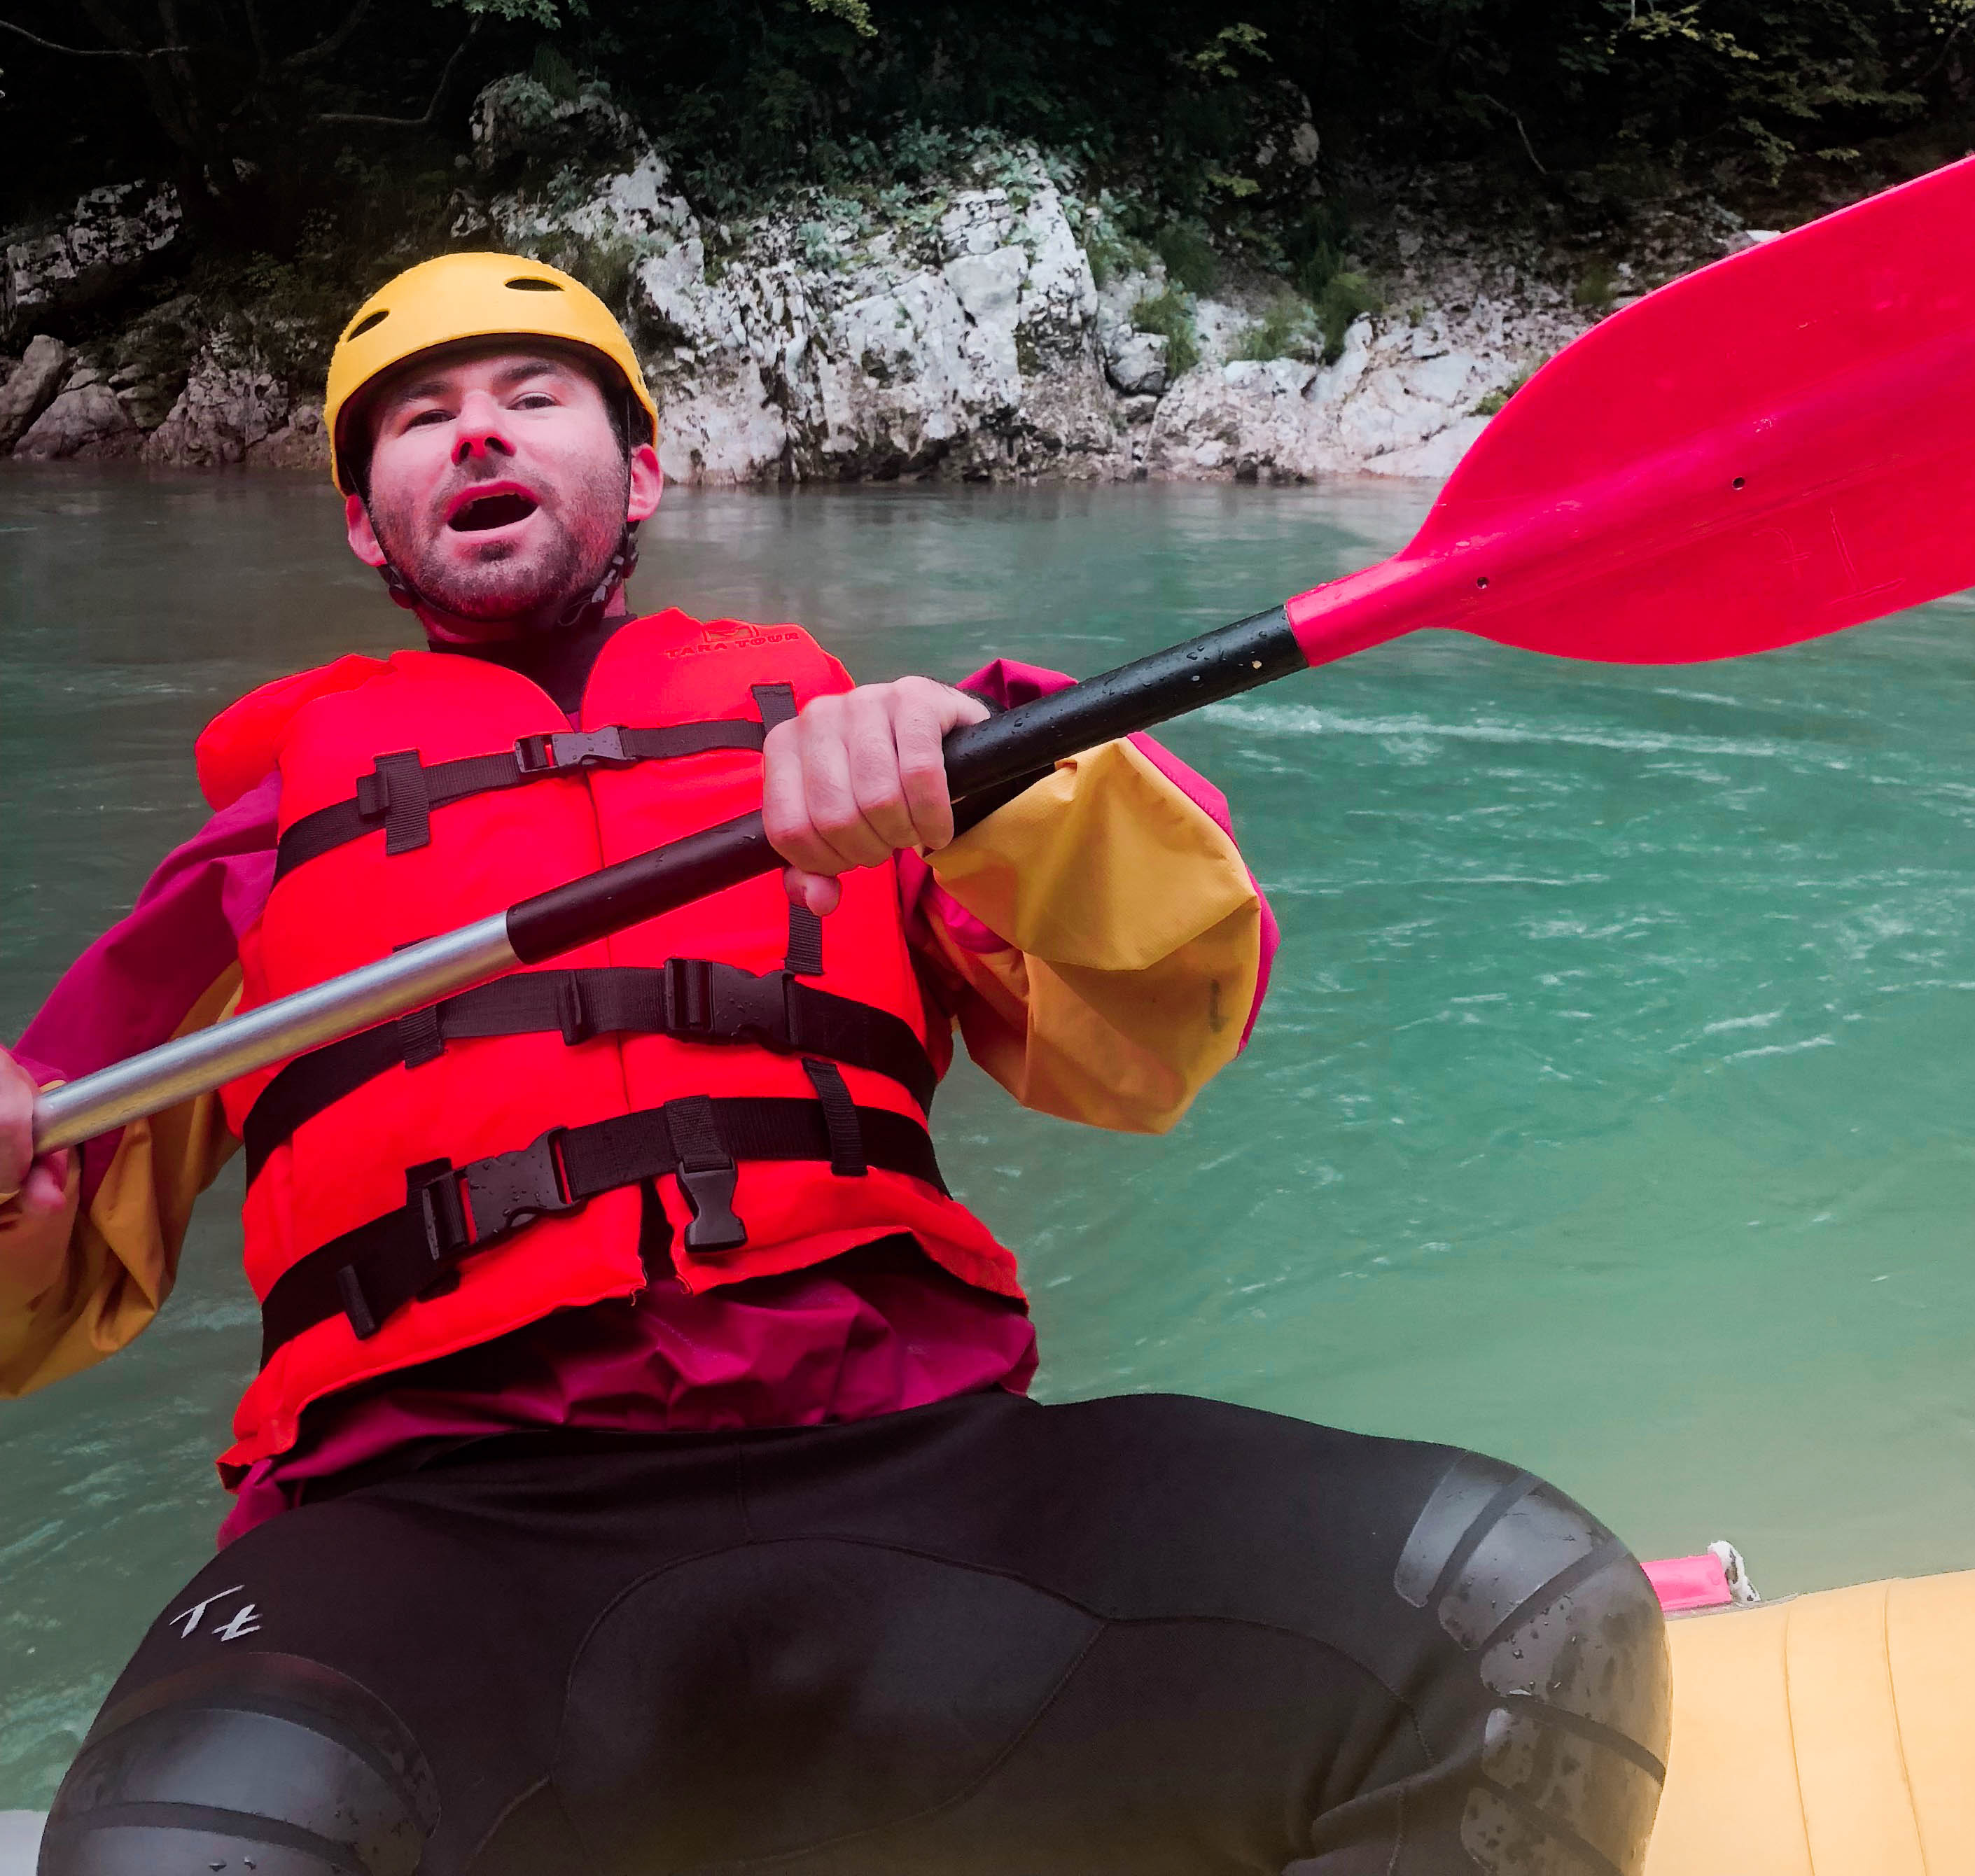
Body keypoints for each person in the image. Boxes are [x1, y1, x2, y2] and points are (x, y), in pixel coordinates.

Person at [1, 253, 1670, 1876]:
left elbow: (1156, 1042)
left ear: (640, 472)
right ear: (370, 518)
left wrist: (1015, 797)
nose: (482, 432)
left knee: (1523, 1616)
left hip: (912, 1476)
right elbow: (47, 1291)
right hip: (430, 1539)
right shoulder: (252, 863)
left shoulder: (883, 751)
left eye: (534, 396)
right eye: (422, 417)